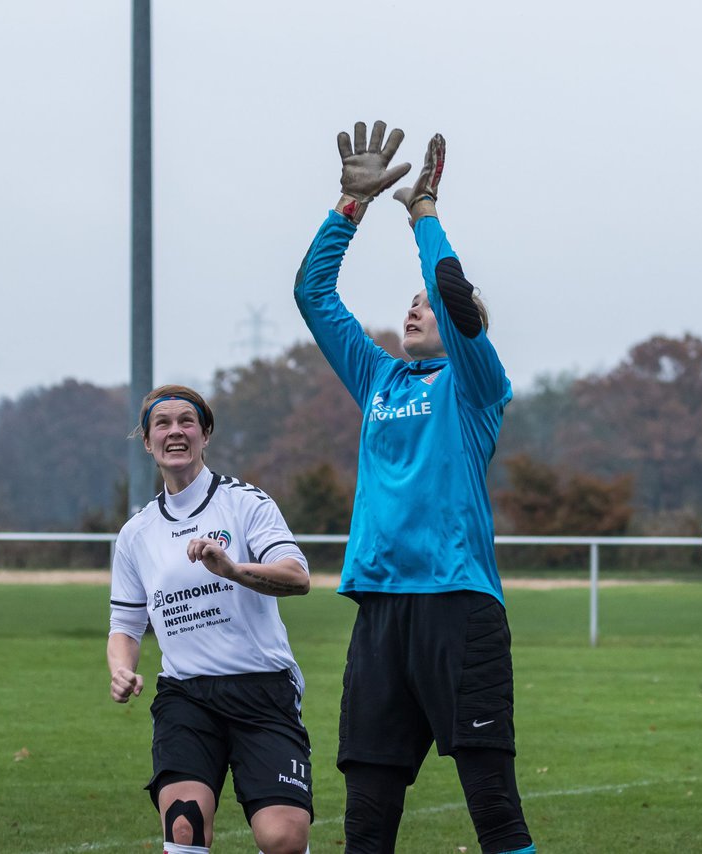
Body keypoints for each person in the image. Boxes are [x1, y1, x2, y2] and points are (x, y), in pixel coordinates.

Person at [292, 121, 535, 854]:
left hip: (459, 610)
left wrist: (424, 213)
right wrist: (349, 206)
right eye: (410, 301)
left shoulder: (475, 385)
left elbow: (456, 299)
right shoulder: (379, 379)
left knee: (492, 806)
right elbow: (312, 293)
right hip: (380, 612)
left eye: (423, 303)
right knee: (366, 813)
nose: (414, 307)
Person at [107, 384, 314, 854]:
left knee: (282, 838)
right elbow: (125, 624)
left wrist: (235, 571)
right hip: (186, 694)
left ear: (205, 435)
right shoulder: (136, 533)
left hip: (262, 689)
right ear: (147, 441)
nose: (175, 431)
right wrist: (120, 667)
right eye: (163, 423)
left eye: (187, 422)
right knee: (184, 825)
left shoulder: (245, 503)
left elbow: (297, 577)